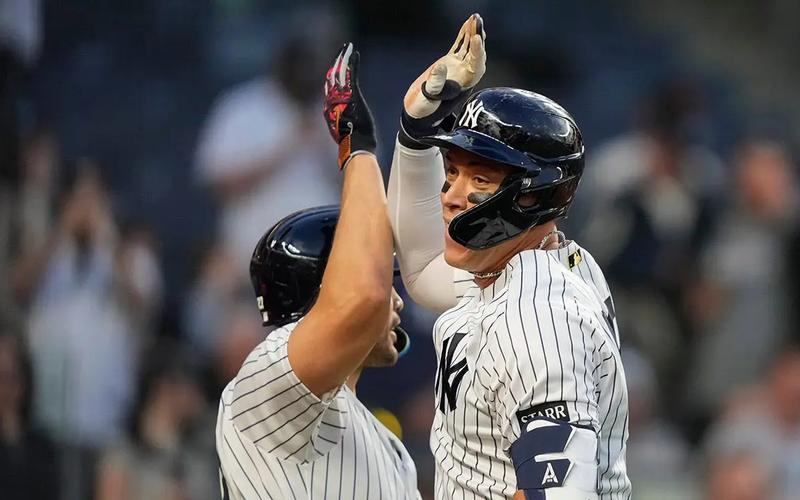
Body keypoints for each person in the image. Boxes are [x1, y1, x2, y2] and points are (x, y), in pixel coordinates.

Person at [387, 14, 631, 499]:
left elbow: (560, 497)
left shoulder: (539, 317)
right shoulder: (522, 267)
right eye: (452, 171)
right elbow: (420, 268)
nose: (452, 196)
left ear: (534, 195)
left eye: (480, 180)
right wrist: (417, 131)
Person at [216, 43, 421, 499]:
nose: (395, 297)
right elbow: (363, 298)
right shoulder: (265, 381)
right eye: (383, 278)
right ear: (324, 292)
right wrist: (358, 146)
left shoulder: (389, 444)